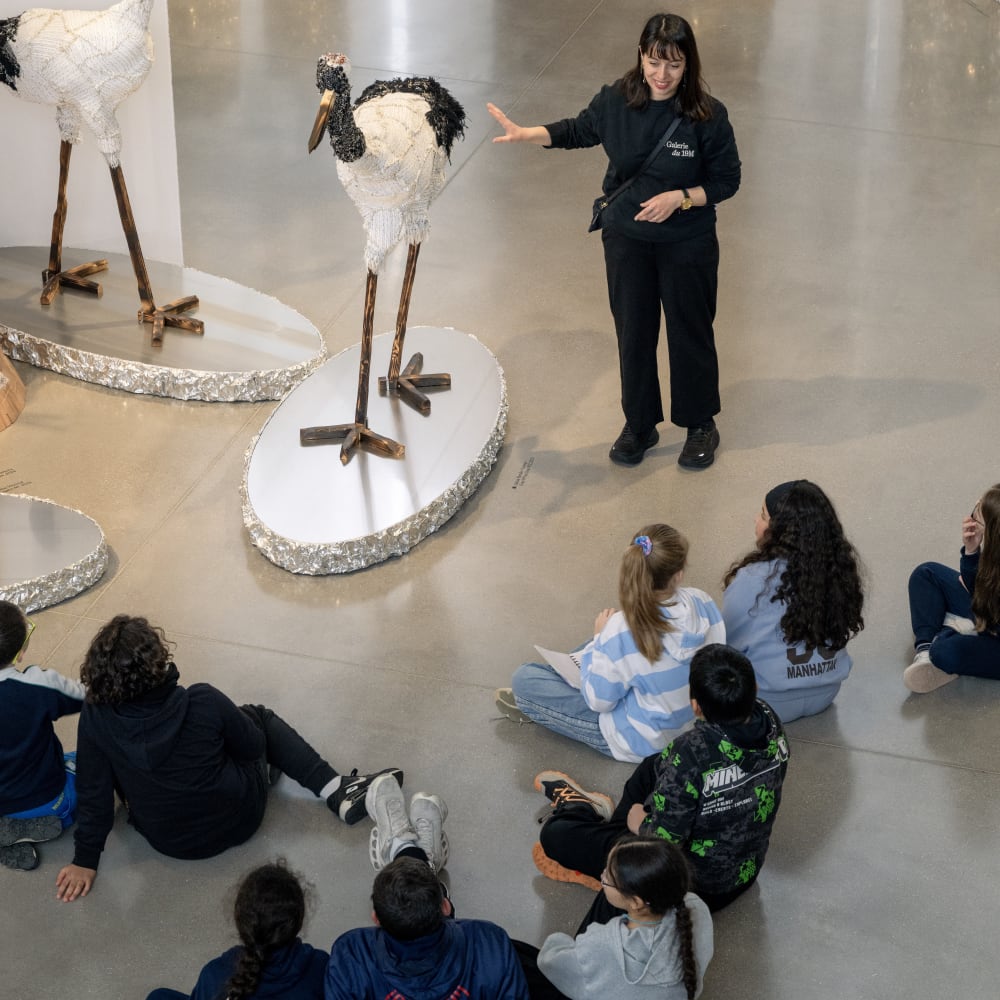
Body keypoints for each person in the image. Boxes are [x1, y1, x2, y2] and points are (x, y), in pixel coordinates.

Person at [488, 12, 740, 469]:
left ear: (689, 66)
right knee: (634, 334)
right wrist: (529, 134)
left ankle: (701, 422)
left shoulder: (707, 115)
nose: (662, 75)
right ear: (641, 56)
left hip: (687, 242)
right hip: (627, 239)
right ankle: (639, 425)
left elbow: (727, 181)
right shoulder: (616, 100)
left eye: (674, 65)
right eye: (653, 61)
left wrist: (681, 198)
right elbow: (580, 130)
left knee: (691, 333)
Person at [55, 615, 402, 902]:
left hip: (169, 841)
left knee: (113, 759)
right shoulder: (201, 700)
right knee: (257, 717)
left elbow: (93, 790)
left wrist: (85, 860)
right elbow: (252, 748)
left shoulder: (96, 716)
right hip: (240, 818)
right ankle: (336, 789)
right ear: (158, 662)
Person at [532, 644, 789, 915]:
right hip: (743, 874)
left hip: (692, 889)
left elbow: (665, 844)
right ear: (755, 690)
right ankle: (612, 865)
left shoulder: (690, 752)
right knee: (652, 766)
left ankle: (585, 816)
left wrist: (640, 824)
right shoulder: (770, 719)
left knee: (555, 834)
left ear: (696, 706)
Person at [496, 524, 724, 762]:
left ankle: (541, 701)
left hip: (639, 742)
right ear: (679, 574)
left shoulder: (622, 629)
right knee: (603, 646)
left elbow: (599, 702)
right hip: (690, 726)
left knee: (524, 678)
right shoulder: (702, 601)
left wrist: (598, 641)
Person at [722, 480, 865, 722]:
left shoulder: (753, 579)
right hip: (826, 693)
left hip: (768, 701)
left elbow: (727, 643)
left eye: (763, 515)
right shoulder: (838, 569)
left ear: (781, 531)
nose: (756, 521)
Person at [528, 836, 713, 1000]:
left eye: (608, 877)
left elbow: (551, 964)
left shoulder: (600, 943)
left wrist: (556, 941)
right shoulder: (695, 907)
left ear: (636, 902)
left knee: (519, 955)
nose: (602, 875)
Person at [324, 855, 530, 999]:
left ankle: (406, 845)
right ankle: (413, 848)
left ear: (376, 917)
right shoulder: (490, 942)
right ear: (446, 906)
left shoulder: (351, 953)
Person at [146, 861, 327, 1000]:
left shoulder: (215, 975)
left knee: (158, 996)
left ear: (241, 924)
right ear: (298, 921)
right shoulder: (322, 966)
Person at [0, 601, 83, 871]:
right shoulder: (37, 685)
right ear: (20, 652)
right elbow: (88, 696)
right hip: (46, 798)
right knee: (93, 764)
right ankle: (37, 820)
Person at [905, 484, 1000, 692]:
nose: (971, 515)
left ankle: (946, 634)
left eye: (977, 515)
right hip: (988, 611)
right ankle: (927, 647)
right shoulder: (995, 559)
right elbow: (976, 589)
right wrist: (971, 551)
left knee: (943, 651)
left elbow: (985, 606)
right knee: (925, 573)